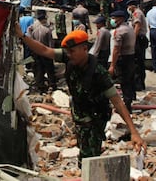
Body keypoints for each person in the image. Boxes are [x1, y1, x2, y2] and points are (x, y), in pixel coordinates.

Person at [15, 27, 146, 166]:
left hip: (94, 119)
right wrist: (22, 36)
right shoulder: (69, 58)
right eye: (67, 51)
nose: (69, 55)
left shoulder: (98, 73)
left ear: (84, 48)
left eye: (72, 51)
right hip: (79, 116)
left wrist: (134, 132)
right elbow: (44, 50)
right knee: (84, 150)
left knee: (89, 158)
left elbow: (118, 103)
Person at [108, 10, 136, 113]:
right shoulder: (130, 28)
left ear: (120, 19)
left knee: (124, 82)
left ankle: (127, 107)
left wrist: (112, 65)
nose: (113, 20)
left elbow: (116, 49)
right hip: (131, 56)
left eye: (114, 18)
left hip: (123, 58)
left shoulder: (119, 31)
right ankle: (131, 99)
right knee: (130, 79)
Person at [28, 10, 56, 92]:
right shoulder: (47, 30)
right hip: (46, 51)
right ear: (44, 19)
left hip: (36, 52)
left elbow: (31, 40)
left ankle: (40, 86)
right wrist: (52, 53)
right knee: (50, 69)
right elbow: (51, 43)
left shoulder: (34, 29)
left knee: (39, 69)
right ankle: (52, 85)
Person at [127, 0, 148, 91]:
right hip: (139, 39)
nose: (128, 8)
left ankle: (138, 84)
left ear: (132, 6)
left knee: (137, 62)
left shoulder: (137, 13)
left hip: (139, 39)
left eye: (129, 6)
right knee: (138, 62)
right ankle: (139, 83)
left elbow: (137, 26)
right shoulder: (136, 13)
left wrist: (133, 39)